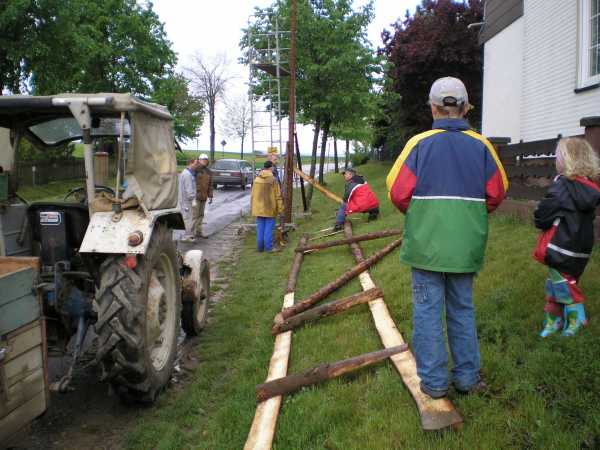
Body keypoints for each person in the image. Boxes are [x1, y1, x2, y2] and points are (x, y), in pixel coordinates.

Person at [386, 76, 508, 398]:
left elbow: (397, 192)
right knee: (462, 309)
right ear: (466, 108)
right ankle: (467, 378)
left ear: (433, 108)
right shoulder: (482, 147)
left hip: (425, 248)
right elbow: (497, 193)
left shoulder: (418, 145)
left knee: (427, 312)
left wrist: (422, 217)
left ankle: (435, 383)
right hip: (465, 248)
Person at [533, 137, 600, 337]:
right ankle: (554, 320)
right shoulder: (588, 188)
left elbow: (545, 213)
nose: (555, 160)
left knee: (562, 285)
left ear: (567, 160)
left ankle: (576, 318)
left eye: (557, 156)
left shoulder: (562, 184)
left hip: (559, 245)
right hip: (579, 249)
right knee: (559, 282)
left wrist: (538, 214)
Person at [251, 160, 284, 252]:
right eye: (273, 167)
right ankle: (269, 248)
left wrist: (253, 208)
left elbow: (253, 195)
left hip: (258, 208)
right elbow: (278, 196)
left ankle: (260, 248)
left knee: (260, 228)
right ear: (271, 168)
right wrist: (281, 209)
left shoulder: (256, 179)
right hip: (270, 207)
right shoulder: (273, 180)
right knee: (268, 229)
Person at [193, 154, 213, 239]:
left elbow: (210, 185)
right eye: (203, 160)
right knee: (194, 215)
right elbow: (189, 182)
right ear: (199, 160)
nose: (205, 161)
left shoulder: (209, 171)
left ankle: (199, 232)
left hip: (204, 196)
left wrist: (210, 196)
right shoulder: (195, 170)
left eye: (206, 160)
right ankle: (191, 233)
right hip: (195, 196)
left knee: (201, 215)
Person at [178, 159, 199, 241]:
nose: (197, 166)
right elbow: (189, 189)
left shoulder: (188, 173)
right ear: (190, 163)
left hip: (186, 200)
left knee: (188, 217)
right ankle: (187, 236)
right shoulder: (187, 174)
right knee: (187, 218)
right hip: (186, 200)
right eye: (196, 164)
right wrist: (193, 199)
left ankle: (188, 235)